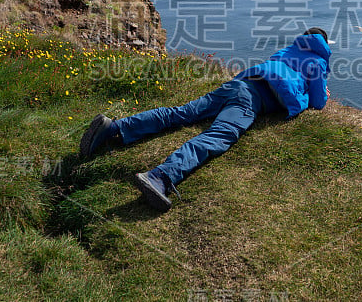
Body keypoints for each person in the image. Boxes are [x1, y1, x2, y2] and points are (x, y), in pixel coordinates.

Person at [79, 27, 333, 212]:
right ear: (324, 43)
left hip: (237, 84)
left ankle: (114, 127)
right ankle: (160, 177)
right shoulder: (318, 61)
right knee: (219, 136)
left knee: (181, 113)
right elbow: (318, 102)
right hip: (252, 101)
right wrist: (317, 94)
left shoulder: (288, 49)